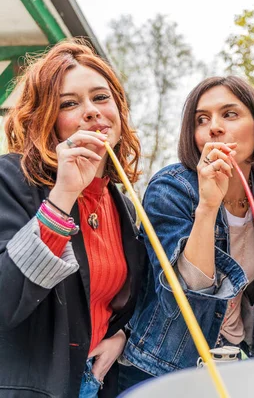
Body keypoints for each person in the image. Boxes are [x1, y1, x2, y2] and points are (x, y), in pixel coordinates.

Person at [0, 40, 147, 398]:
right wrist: (63, 196)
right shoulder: (10, 180)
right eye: (69, 103)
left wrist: (120, 336)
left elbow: (129, 300)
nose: (92, 112)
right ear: (45, 119)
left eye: (101, 98)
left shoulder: (122, 204)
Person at [118, 76, 254, 390]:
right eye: (202, 119)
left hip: (231, 365)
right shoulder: (171, 187)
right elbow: (187, 294)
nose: (214, 127)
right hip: (159, 368)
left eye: (230, 114)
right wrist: (207, 205)